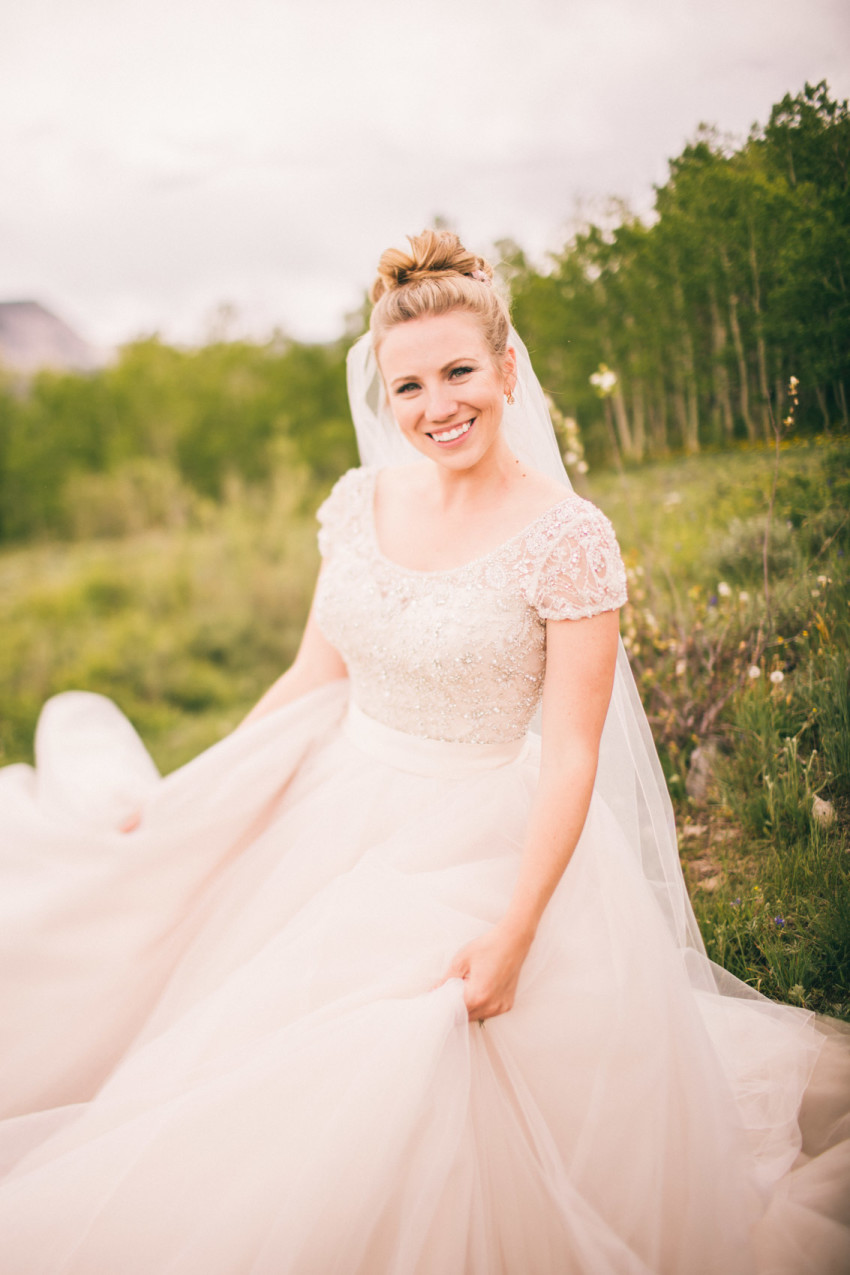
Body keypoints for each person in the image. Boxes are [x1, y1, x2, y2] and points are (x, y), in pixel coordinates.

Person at [0, 230, 847, 1274]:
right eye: (408, 386)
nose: (435, 406)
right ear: (382, 392)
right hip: (332, 805)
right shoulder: (362, 504)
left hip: (479, 836)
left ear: (505, 369)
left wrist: (515, 931)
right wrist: (195, 793)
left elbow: (574, 754)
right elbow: (313, 676)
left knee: (402, 1067)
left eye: (457, 373)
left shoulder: (567, 536)